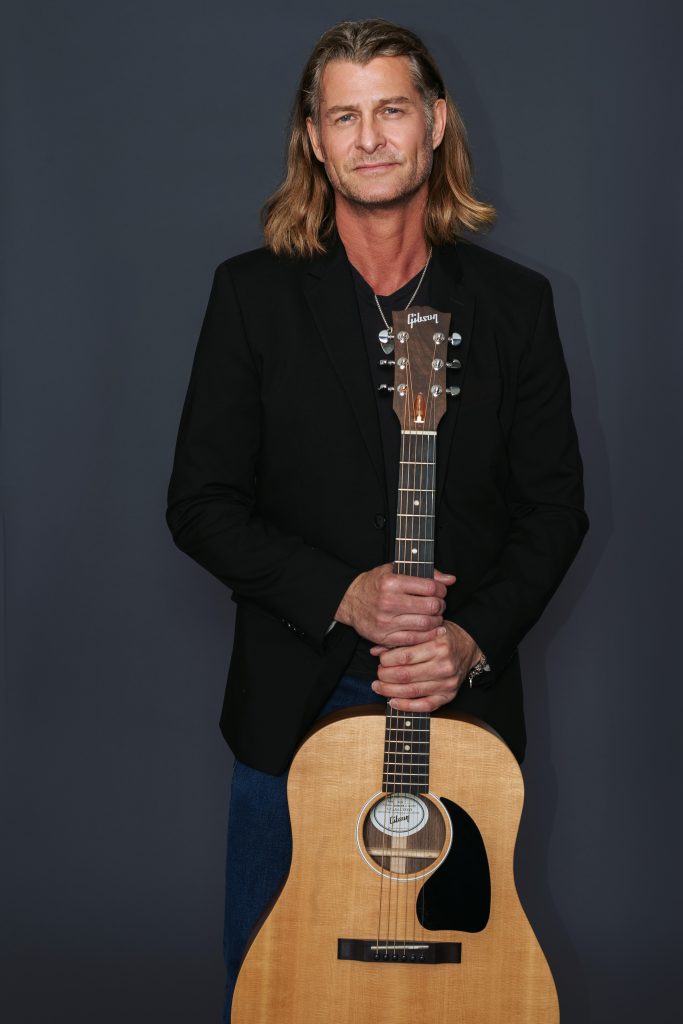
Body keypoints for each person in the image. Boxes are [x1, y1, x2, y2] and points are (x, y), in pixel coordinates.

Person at [166, 18, 588, 1020]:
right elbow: (200, 504)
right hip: (291, 709)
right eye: (343, 116)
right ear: (313, 139)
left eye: (390, 110)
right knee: (276, 989)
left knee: (462, 991)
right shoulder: (251, 295)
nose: (368, 138)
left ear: (434, 123)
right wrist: (340, 593)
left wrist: (468, 640)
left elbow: (553, 510)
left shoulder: (514, 305)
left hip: (456, 709)